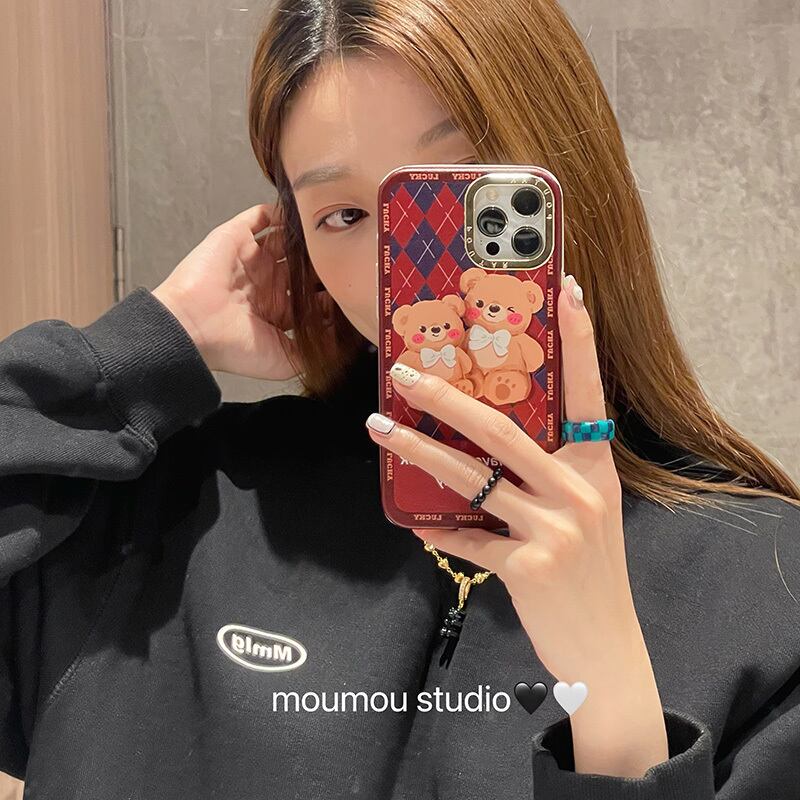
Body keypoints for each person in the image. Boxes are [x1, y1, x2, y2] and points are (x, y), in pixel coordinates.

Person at [1, 0, 799, 797]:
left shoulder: (766, 588)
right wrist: (150, 343)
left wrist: (616, 710)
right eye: (344, 214)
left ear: (563, 184)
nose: (403, 259)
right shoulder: (177, 508)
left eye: (457, 185)